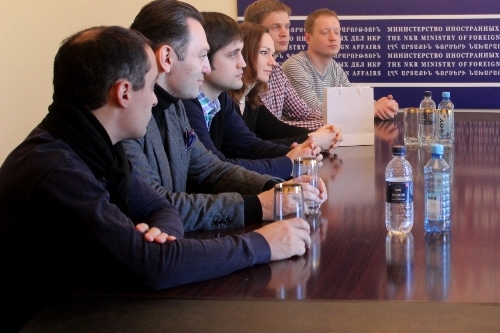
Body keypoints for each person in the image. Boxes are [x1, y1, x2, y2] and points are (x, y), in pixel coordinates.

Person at [0, 26, 311, 332]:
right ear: (123, 93)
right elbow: (153, 266)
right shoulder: (56, 171)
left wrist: (161, 237)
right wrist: (262, 244)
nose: (153, 100)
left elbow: (160, 208)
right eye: (150, 87)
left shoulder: (96, 144)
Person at [122, 0, 327, 231]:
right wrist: (259, 205)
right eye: (202, 56)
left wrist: (275, 187)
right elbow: (155, 206)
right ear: (167, 57)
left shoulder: (173, 106)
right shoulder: (126, 117)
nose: (206, 67)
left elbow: (209, 169)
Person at [181, 13, 339, 179]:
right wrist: (291, 159)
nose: (242, 63)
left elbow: (248, 146)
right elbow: (215, 169)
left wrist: (302, 151)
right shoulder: (187, 104)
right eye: (233, 54)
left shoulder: (221, 100)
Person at [230, 21, 342, 148]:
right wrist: (314, 139)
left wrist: (323, 133)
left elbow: (279, 130)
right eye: (264, 52)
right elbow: (248, 147)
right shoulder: (225, 101)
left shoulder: (251, 99)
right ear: (243, 54)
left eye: (272, 54)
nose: (273, 62)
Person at [281, 8, 399, 120]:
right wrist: (371, 109)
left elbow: (353, 99)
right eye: (325, 32)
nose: (333, 38)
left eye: (337, 32)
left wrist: (384, 106)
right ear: (308, 38)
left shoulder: (334, 67)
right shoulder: (295, 66)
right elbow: (313, 112)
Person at [243, 0, 325, 130]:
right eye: (275, 27)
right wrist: (330, 125)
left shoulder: (277, 72)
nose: (284, 33)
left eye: (287, 27)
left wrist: (334, 121)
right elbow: (269, 129)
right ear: (256, 30)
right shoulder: (246, 74)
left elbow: (303, 113)